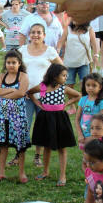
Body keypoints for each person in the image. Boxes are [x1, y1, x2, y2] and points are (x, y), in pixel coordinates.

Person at [13, 23, 62, 167]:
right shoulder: (22, 50)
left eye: (39, 32)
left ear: (44, 35)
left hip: (44, 97)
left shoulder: (50, 51)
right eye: (33, 32)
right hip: (26, 95)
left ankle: (37, 156)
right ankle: (18, 155)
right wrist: (21, 88)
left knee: (41, 127)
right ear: (29, 34)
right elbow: (16, 71)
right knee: (23, 126)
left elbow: (61, 69)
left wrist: (51, 86)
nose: (35, 35)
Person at [28, 64, 80, 186]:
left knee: (62, 147)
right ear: (55, 75)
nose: (66, 77)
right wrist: (37, 103)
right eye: (64, 75)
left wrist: (66, 104)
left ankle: (63, 176)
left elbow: (78, 95)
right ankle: (45, 171)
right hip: (45, 118)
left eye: (66, 75)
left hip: (59, 119)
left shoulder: (63, 88)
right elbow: (29, 92)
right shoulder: (42, 87)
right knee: (46, 146)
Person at [0, 50, 30, 183]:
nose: (11, 65)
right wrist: (11, 90)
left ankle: (22, 173)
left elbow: (20, 93)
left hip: (18, 117)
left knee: (20, 146)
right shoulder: (2, 76)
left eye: (14, 62)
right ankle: (1, 172)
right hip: (3, 117)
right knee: (3, 145)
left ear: (19, 63)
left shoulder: (23, 76)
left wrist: (4, 94)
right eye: (8, 62)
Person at [56, 21, 98, 115]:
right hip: (69, 62)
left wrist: (96, 54)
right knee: (69, 86)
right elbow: (61, 41)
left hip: (84, 62)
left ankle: (86, 106)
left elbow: (94, 43)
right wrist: (58, 50)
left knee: (86, 85)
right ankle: (72, 106)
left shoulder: (89, 29)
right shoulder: (68, 29)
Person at [75, 73, 103, 149]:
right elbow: (77, 119)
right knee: (86, 158)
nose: (90, 88)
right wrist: (80, 135)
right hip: (83, 137)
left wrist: (92, 138)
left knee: (96, 158)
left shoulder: (102, 102)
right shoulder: (83, 99)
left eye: (94, 85)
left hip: (97, 138)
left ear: (100, 87)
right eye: (88, 85)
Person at [84, 137, 103, 203]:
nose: (88, 165)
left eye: (92, 162)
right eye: (86, 161)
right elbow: (91, 191)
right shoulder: (89, 172)